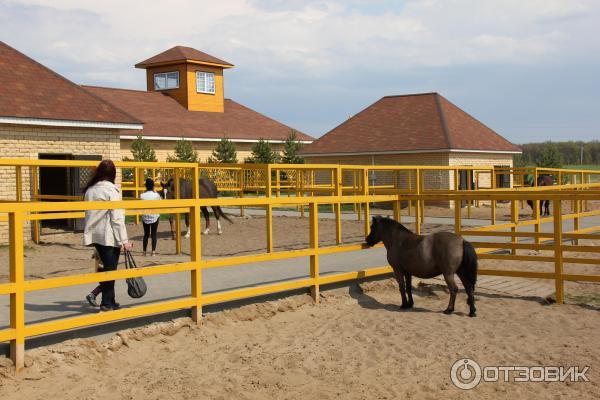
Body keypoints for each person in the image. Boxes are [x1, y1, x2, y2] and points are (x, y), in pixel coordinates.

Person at [83, 159, 133, 311]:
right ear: (113, 174)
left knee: (108, 268)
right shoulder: (111, 190)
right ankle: (106, 303)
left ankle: (110, 299)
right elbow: (117, 218)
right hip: (108, 236)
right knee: (110, 270)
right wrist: (124, 240)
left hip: (95, 235)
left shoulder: (90, 190)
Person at [140, 178, 161, 256]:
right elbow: (160, 202)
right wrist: (155, 192)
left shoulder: (141, 195)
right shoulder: (156, 195)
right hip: (154, 216)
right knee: (154, 234)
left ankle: (144, 251)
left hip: (145, 216)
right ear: (153, 186)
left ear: (146, 186)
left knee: (146, 234)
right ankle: (153, 252)